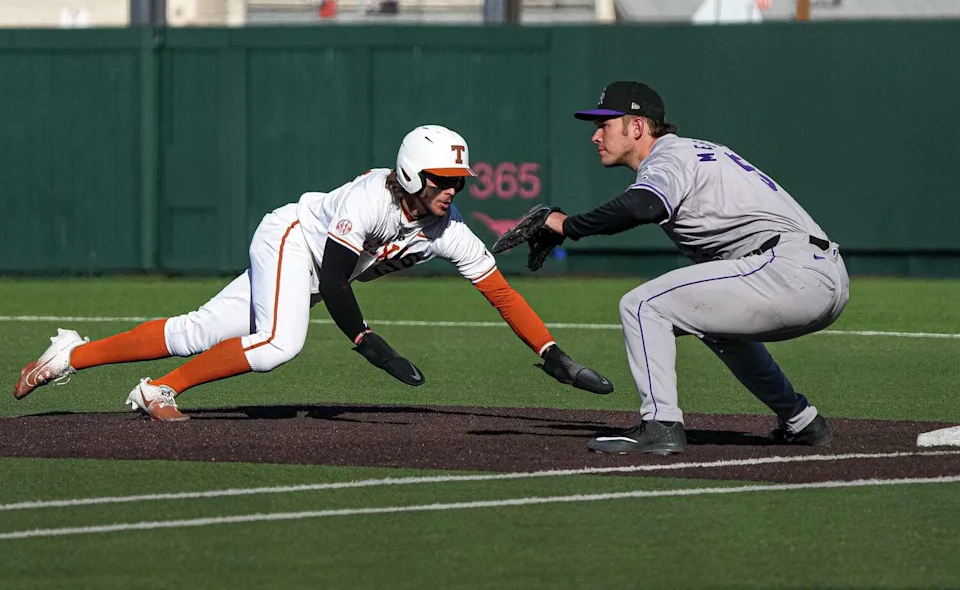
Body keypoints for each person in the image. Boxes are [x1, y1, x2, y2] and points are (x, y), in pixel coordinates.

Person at [15, 125, 612, 419]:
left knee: (198, 331)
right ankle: (159, 390)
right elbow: (332, 282)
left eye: (458, 183)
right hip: (293, 241)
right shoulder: (365, 201)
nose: (452, 191)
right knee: (280, 343)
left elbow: (501, 294)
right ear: (411, 176)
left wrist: (551, 351)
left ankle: (69, 355)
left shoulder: (448, 231)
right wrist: (368, 343)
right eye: (443, 181)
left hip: (320, 266)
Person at [539, 81, 849, 455]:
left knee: (643, 306)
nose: (595, 135)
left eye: (604, 123)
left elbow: (643, 206)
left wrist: (567, 225)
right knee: (717, 328)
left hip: (788, 269)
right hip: (818, 273)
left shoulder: (667, 157)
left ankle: (661, 425)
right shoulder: (693, 151)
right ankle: (801, 420)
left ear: (636, 127)